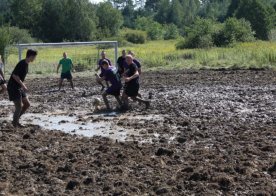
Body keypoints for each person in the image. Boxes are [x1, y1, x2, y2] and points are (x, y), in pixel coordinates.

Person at [7, 49, 38, 127]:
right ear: (31, 56)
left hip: (18, 87)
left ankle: (16, 120)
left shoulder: (26, 63)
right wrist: (23, 85)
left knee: (27, 104)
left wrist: (22, 85)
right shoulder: (22, 63)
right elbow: (14, 75)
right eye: (34, 57)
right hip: (13, 87)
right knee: (19, 106)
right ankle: (15, 124)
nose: (35, 58)